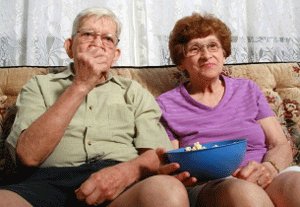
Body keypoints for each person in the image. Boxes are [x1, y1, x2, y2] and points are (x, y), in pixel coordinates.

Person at [0, 7, 189, 207]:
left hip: (120, 183)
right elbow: (28, 156)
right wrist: (81, 84)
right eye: (88, 34)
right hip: (45, 183)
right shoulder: (39, 86)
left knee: (168, 192)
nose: (97, 43)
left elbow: (159, 155)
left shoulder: (134, 92)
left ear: (115, 54)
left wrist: (126, 173)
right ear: (69, 47)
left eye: (108, 38)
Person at [156, 12, 300, 207]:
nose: (206, 55)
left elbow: (279, 144)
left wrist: (269, 168)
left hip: (264, 173)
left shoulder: (248, 89)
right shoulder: (166, 104)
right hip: (212, 184)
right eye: (195, 49)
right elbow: (171, 162)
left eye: (213, 46)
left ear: (224, 52)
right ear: (181, 61)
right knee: (243, 193)